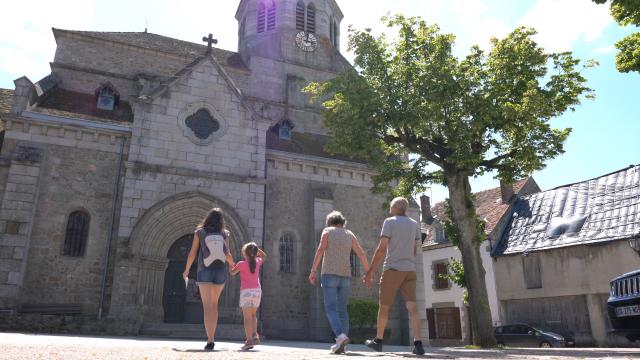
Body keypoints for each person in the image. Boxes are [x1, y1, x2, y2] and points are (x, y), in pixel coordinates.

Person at [363, 197, 425, 355]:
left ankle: (378, 341)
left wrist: (370, 271)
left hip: (392, 269)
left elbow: (382, 248)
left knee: (384, 307)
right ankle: (418, 344)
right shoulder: (414, 224)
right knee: (412, 307)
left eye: (391, 205)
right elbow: (414, 249)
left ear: (396, 207)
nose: (390, 208)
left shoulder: (389, 222)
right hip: (409, 270)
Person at [309, 211, 370, 354]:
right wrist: (368, 272)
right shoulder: (350, 234)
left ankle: (340, 336)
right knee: (342, 310)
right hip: (345, 276)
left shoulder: (327, 231)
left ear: (330, 222)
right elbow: (361, 253)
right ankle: (342, 344)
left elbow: (320, 250)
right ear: (343, 222)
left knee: (330, 308)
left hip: (329, 274)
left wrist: (313, 271)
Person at [183, 208, 235, 351]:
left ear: (208, 218)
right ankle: (213, 338)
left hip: (204, 270)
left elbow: (192, 253)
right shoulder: (225, 233)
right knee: (214, 305)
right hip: (220, 270)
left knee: (207, 307)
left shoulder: (200, 232)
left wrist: (187, 270)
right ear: (221, 220)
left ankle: (210, 340)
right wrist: (232, 265)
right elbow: (228, 253)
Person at [230, 242, 266, 351]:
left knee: (247, 318)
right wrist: (256, 249)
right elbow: (264, 256)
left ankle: (249, 341)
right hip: (257, 291)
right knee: (253, 314)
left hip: (246, 292)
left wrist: (231, 264)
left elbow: (232, 273)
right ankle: (254, 334)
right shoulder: (258, 262)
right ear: (255, 254)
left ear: (244, 253)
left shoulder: (241, 264)